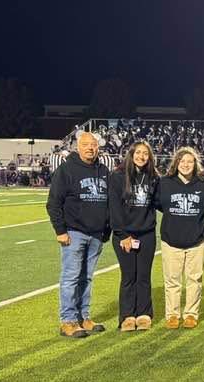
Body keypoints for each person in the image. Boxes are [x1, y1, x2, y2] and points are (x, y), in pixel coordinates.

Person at [46, 131, 110, 338]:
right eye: (86, 145)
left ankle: (84, 317)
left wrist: (106, 230)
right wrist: (60, 231)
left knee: (87, 278)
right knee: (71, 277)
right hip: (74, 232)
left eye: (93, 145)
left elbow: (109, 202)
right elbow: (53, 203)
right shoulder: (66, 170)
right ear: (77, 147)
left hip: (96, 234)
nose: (90, 148)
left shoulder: (103, 170)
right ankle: (68, 321)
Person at [157, 147, 204, 329]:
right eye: (182, 161)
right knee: (172, 280)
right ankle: (172, 315)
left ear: (195, 164)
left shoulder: (203, 184)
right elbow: (159, 205)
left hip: (197, 240)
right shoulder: (165, 183)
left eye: (190, 161)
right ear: (176, 163)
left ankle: (191, 314)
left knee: (194, 279)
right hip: (171, 240)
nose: (186, 164)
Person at [109, 141, 158, 331]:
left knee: (144, 276)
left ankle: (144, 313)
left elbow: (158, 202)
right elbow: (114, 207)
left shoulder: (153, 177)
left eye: (145, 153)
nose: (141, 156)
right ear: (131, 154)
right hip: (124, 235)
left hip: (146, 234)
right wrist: (123, 235)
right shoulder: (118, 176)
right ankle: (127, 315)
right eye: (138, 152)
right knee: (129, 276)